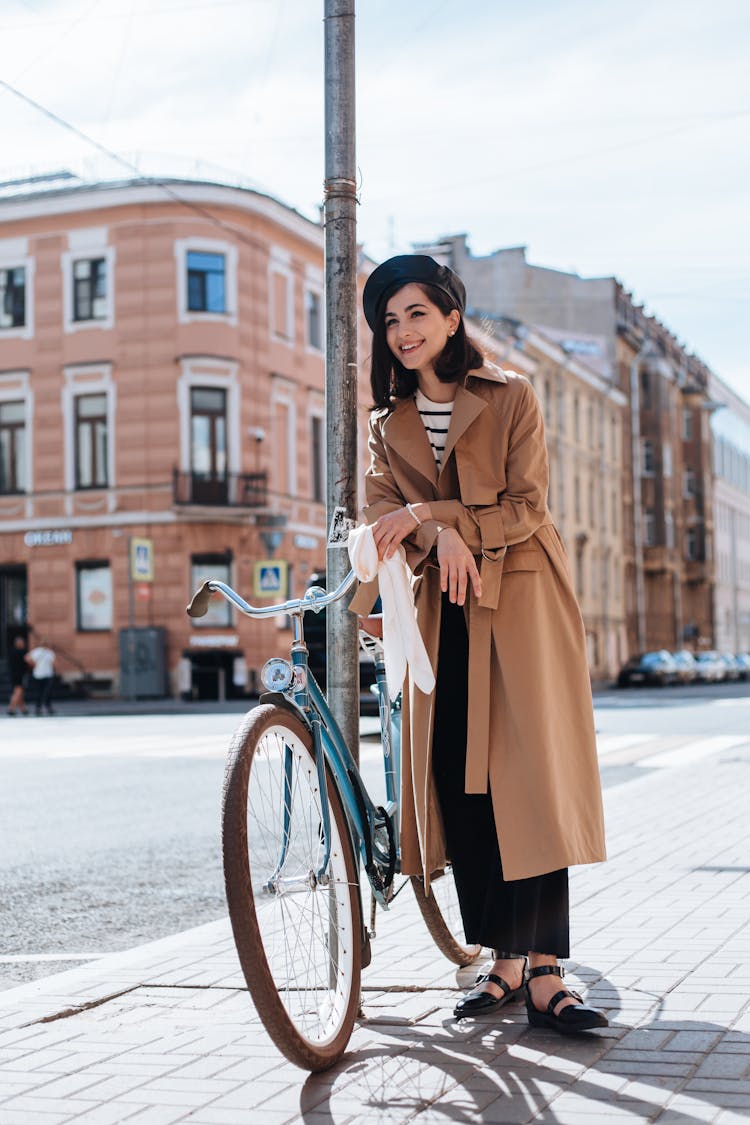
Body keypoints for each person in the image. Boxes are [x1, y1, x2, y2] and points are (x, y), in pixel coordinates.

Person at [349, 254, 608, 1034]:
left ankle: (548, 970)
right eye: (389, 321)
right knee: (466, 788)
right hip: (442, 613)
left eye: (416, 314)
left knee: (530, 780)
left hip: (522, 601)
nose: (402, 332)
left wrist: (440, 522)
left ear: (452, 317)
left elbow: (528, 505)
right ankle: (501, 957)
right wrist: (431, 528)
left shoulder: (511, 396)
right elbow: (383, 519)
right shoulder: (383, 426)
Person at [26, 638, 56, 716]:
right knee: (45, 692)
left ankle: (40, 707)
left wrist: (33, 664)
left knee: (41, 692)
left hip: (40, 674)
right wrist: (33, 664)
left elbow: (27, 658)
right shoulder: (49, 652)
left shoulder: (38, 651)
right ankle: (45, 707)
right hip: (45, 674)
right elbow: (53, 663)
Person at [7, 635, 30, 716]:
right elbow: (28, 661)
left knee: (19, 692)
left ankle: (23, 709)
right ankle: (11, 708)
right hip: (21, 674)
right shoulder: (23, 651)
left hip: (13, 674)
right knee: (18, 691)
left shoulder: (11, 651)